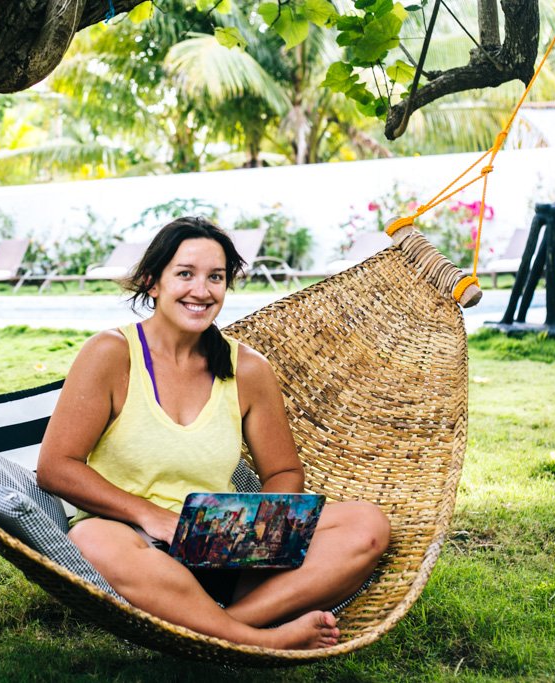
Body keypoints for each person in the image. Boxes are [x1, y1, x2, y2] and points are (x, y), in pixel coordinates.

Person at [37, 217, 390, 650]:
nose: (201, 291)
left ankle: (228, 627)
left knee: (365, 525)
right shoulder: (111, 354)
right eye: (185, 274)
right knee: (90, 539)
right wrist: (150, 515)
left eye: (216, 277)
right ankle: (255, 637)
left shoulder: (248, 369)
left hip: (221, 540)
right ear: (153, 282)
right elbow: (56, 468)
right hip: (133, 541)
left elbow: (283, 472)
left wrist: (252, 529)